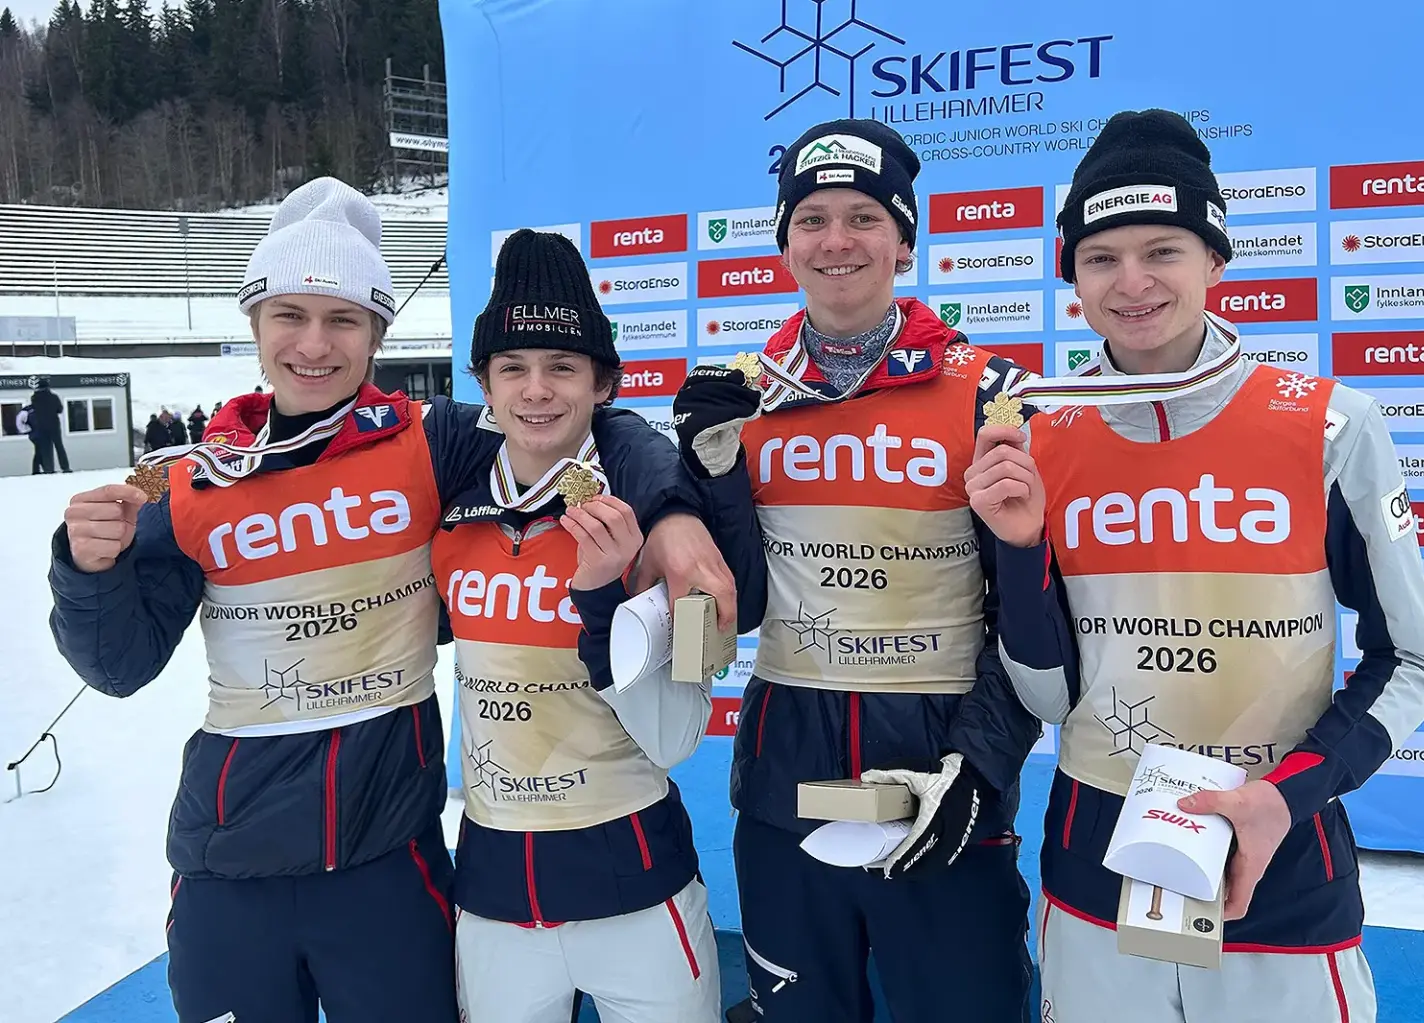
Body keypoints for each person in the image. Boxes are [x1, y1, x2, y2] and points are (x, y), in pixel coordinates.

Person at [48, 178, 732, 1023]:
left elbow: (575, 422)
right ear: (254, 322)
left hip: (385, 858)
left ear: (377, 332)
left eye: (343, 319)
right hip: (232, 862)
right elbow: (117, 665)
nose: (314, 344)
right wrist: (87, 570)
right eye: (289, 314)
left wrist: (672, 514)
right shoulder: (196, 478)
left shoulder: (428, 440)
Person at [972, 109, 1424, 1023]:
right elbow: (1046, 696)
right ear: (1072, 276)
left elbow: (1415, 661)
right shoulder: (1037, 434)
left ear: (1215, 261)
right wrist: (1021, 549)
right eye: (1101, 257)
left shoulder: (1329, 425)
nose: (1132, 281)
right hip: (1095, 860)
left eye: (1164, 250)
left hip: (1281, 859)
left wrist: (1287, 795)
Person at [670, 118, 1050, 1022]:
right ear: (784, 244)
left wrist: (977, 769)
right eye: (811, 219)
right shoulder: (743, 397)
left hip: (938, 788)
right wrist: (711, 475)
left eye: (863, 217)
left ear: (904, 241)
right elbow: (738, 606)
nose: (835, 240)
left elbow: (1035, 613)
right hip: (785, 790)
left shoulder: (991, 393)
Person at [442, 230, 755, 1023]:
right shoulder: (448, 499)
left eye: (562, 367)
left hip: (637, 890)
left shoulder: (652, 518)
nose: (536, 390)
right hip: (494, 895)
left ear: (603, 382)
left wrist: (605, 602)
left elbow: (678, 736)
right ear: (484, 383)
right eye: (512, 367)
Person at [27, 376, 69, 472]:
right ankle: (65, 467)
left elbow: (35, 410)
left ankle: (48, 469)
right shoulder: (54, 397)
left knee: (46, 448)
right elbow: (60, 409)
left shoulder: (34, 398)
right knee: (59, 446)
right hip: (54, 424)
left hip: (41, 425)